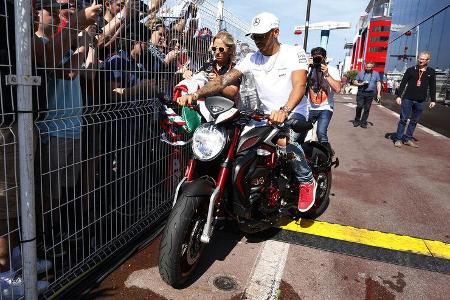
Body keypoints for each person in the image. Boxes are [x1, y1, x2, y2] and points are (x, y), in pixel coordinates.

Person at [176, 12, 317, 212]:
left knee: (285, 142)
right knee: (234, 143)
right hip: (263, 116)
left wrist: (285, 110)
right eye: (255, 36)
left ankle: (306, 180)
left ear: (276, 32)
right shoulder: (252, 58)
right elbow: (223, 80)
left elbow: (299, 85)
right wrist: (196, 94)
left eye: (262, 35)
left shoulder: (293, 53)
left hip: (292, 112)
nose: (257, 40)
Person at [393, 51, 436, 148]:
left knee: (414, 121)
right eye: (420, 58)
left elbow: (433, 86)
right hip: (408, 99)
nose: (420, 60)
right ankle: (398, 139)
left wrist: (433, 100)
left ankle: (408, 138)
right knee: (403, 119)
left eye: (423, 59)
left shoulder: (431, 72)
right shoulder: (410, 70)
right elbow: (403, 83)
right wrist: (399, 96)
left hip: (421, 101)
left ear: (428, 60)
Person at [305, 47, 341, 154]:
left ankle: (326, 156)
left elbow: (338, 89)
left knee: (321, 132)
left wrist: (326, 74)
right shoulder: (308, 69)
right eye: (314, 58)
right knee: (302, 133)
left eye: (319, 58)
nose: (317, 61)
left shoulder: (332, 70)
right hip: (309, 107)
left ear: (325, 58)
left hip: (325, 107)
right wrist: (307, 67)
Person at [352, 62, 381, 128]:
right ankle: (357, 120)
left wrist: (378, 93)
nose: (368, 68)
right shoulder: (360, 73)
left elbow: (378, 83)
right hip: (361, 92)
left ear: (372, 67)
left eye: (369, 67)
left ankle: (363, 122)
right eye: (367, 67)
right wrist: (361, 84)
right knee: (359, 106)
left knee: (367, 108)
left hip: (370, 93)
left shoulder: (376, 74)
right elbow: (355, 81)